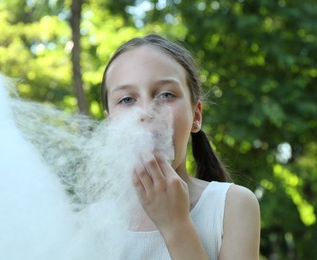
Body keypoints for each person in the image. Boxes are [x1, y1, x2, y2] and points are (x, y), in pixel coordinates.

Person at [100, 34, 260, 260]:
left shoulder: (232, 206)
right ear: (110, 126)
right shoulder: (89, 225)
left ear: (196, 116)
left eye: (166, 95)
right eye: (127, 99)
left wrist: (176, 225)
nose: (146, 112)